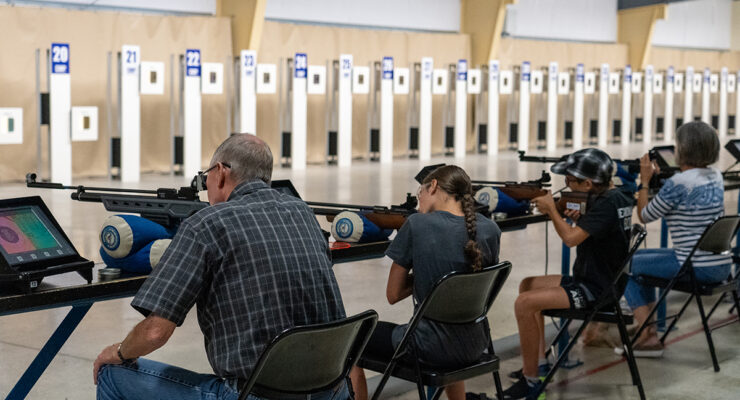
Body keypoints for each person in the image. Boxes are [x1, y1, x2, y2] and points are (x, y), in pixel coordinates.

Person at [94, 134, 349, 400]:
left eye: (206, 178)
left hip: (256, 394)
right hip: (332, 391)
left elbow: (156, 331)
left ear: (220, 172)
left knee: (112, 373)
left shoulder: (205, 224)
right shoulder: (303, 213)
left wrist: (119, 351)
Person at [348, 165, 502, 400]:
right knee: (452, 320)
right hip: (475, 344)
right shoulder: (491, 230)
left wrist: (427, 274)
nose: (418, 197)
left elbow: (393, 294)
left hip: (429, 347)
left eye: (420, 189)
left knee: (351, 339)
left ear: (433, 186)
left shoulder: (417, 225)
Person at [502, 148, 633, 400]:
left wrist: (552, 210)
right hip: (601, 280)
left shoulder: (605, 205)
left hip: (597, 290)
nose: (566, 186)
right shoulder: (618, 196)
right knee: (528, 285)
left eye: (570, 182)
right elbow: (596, 226)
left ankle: (531, 384)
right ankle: (538, 364)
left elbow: (571, 239)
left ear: (587, 183)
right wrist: (575, 214)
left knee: (524, 304)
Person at [622, 121, 730, 357]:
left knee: (623, 265)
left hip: (693, 266)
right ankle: (646, 330)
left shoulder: (678, 183)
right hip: (720, 265)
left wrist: (645, 181)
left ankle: (648, 336)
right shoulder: (715, 176)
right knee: (637, 261)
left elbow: (645, 215)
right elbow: (685, 194)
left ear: (684, 149)